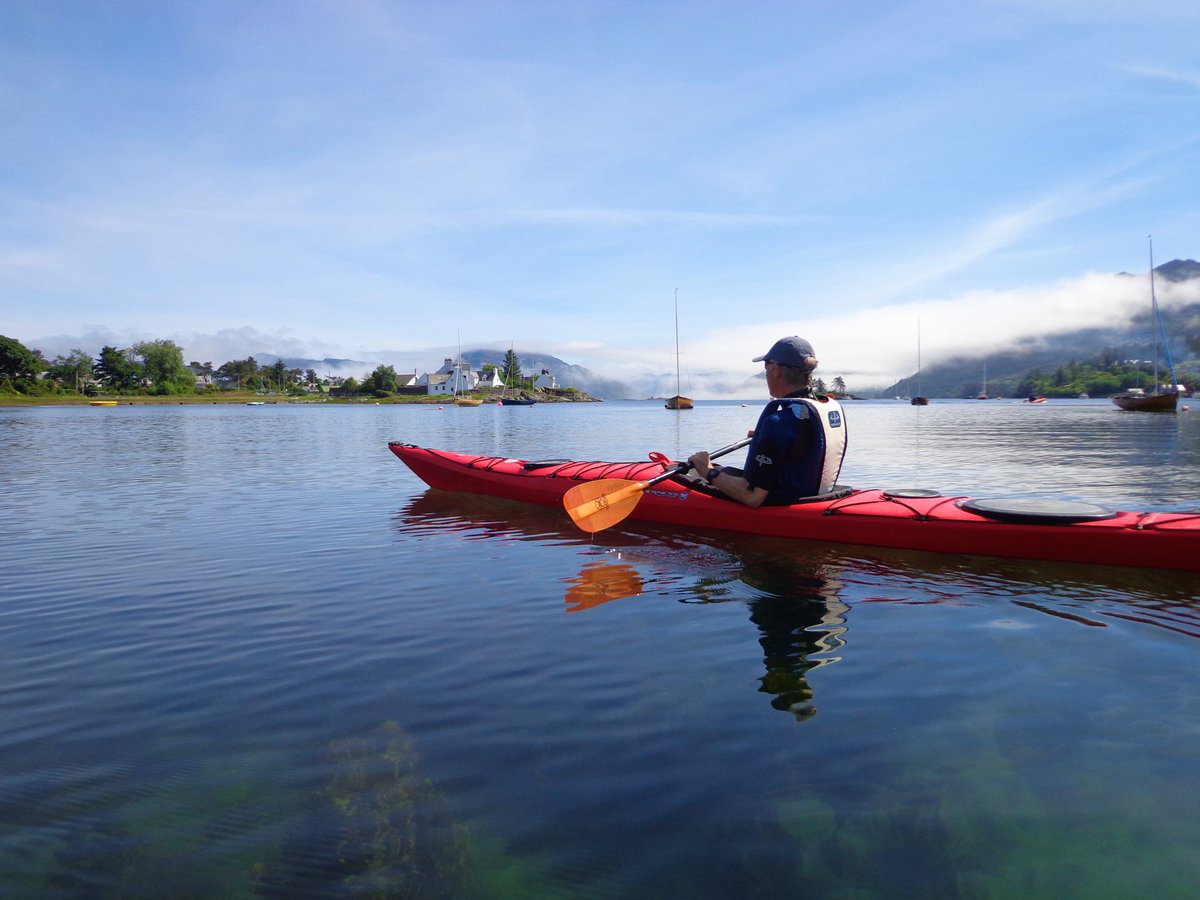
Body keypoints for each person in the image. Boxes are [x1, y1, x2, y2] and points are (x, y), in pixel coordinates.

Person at [687, 336, 847, 508]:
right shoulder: (821, 410)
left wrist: (707, 471)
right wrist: (768, 444)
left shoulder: (776, 422)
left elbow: (752, 497)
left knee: (693, 474)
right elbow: (805, 449)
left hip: (782, 503)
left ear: (776, 370)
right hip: (815, 495)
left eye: (766, 366)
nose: (765, 373)